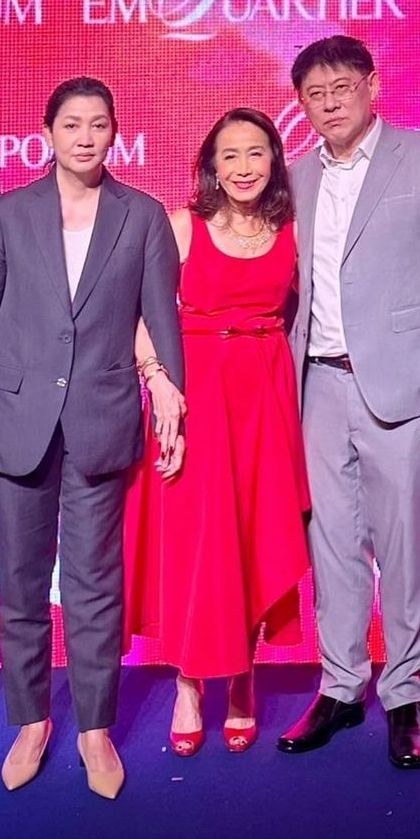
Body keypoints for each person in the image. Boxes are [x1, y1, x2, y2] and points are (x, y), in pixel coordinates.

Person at [0, 78, 184, 798]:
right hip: (14, 424)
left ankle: (94, 728)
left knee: (94, 584)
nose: (85, 137)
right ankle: (30, 720)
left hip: (101, 421)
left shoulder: (141, 215)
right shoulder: (9, 213)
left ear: (115, 133)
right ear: (46, 131)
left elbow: (162, 318)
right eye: (72, 124)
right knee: (20, 583)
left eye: (99, 124)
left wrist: (171, 398)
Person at [276, 36, 420, 770]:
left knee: (402, 546)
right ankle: (339, 685)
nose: (330, 104)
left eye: (342, 87)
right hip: (316, 384)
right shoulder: (294, 177)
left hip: (405, 382)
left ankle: (403, 692)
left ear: (372, 85)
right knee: (331, 545)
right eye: (315, 94)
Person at [131, 109, 309, 756]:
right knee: (197, 543)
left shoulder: (293, 229)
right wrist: (159, 385)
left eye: (255, 153)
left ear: (274, 161)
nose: (243, 167)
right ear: (211, 165)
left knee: (254, 538)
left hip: (265, 400)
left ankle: (241, 678)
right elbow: (144, 316)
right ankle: (188, 682)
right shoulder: (182, 226)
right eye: (229, 155)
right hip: (194, 398)